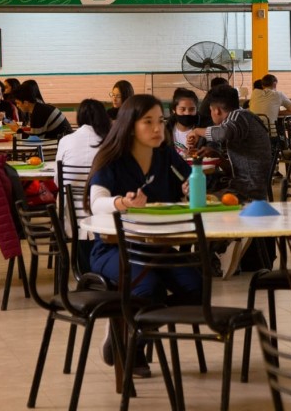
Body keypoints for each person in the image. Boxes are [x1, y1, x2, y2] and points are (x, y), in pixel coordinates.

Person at [86, 94, 200, 377]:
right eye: (147, 122)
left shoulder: (165, 155)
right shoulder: (111, 158)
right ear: (129, 125)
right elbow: (96, 203)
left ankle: (129, 333)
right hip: (113, 249)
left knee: (198, 288)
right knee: (148, 288)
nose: (157, 128)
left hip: (158, 247)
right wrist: (121, 203)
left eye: (160, 121)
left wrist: (190, 189)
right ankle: (132, 349)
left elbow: (188, 180)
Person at [187, 84, 273, 202]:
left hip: (247, 193)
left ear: (216, 111)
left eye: (210, 110)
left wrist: (197, 131)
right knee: (201, 193)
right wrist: (218, 157)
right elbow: (240, 167)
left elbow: (223, 133)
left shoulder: (238, 116)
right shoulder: (242, 117)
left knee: (196, 198)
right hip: (246, 187)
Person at [55, 98, 111, 272]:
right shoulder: (110, 142)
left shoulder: (66, 141)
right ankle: (101, 271)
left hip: (69, 212)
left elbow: (58, 181)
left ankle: (82, 273)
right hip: (101, 211)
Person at [248, 73, 291, 138]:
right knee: (281, 129)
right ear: (274, 84)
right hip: (270, 134)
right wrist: (276, 112)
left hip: (253, 133)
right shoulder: (278, 94)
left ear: (262, 85)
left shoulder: (254, 94)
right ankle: (284, 146)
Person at [165, 88, 203, 156]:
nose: (187, 113)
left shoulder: (204, 131)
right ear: (174, 110)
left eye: (191, 109)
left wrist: (197, 154)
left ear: (197, 109)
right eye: (182, 109)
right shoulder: (165, 131)